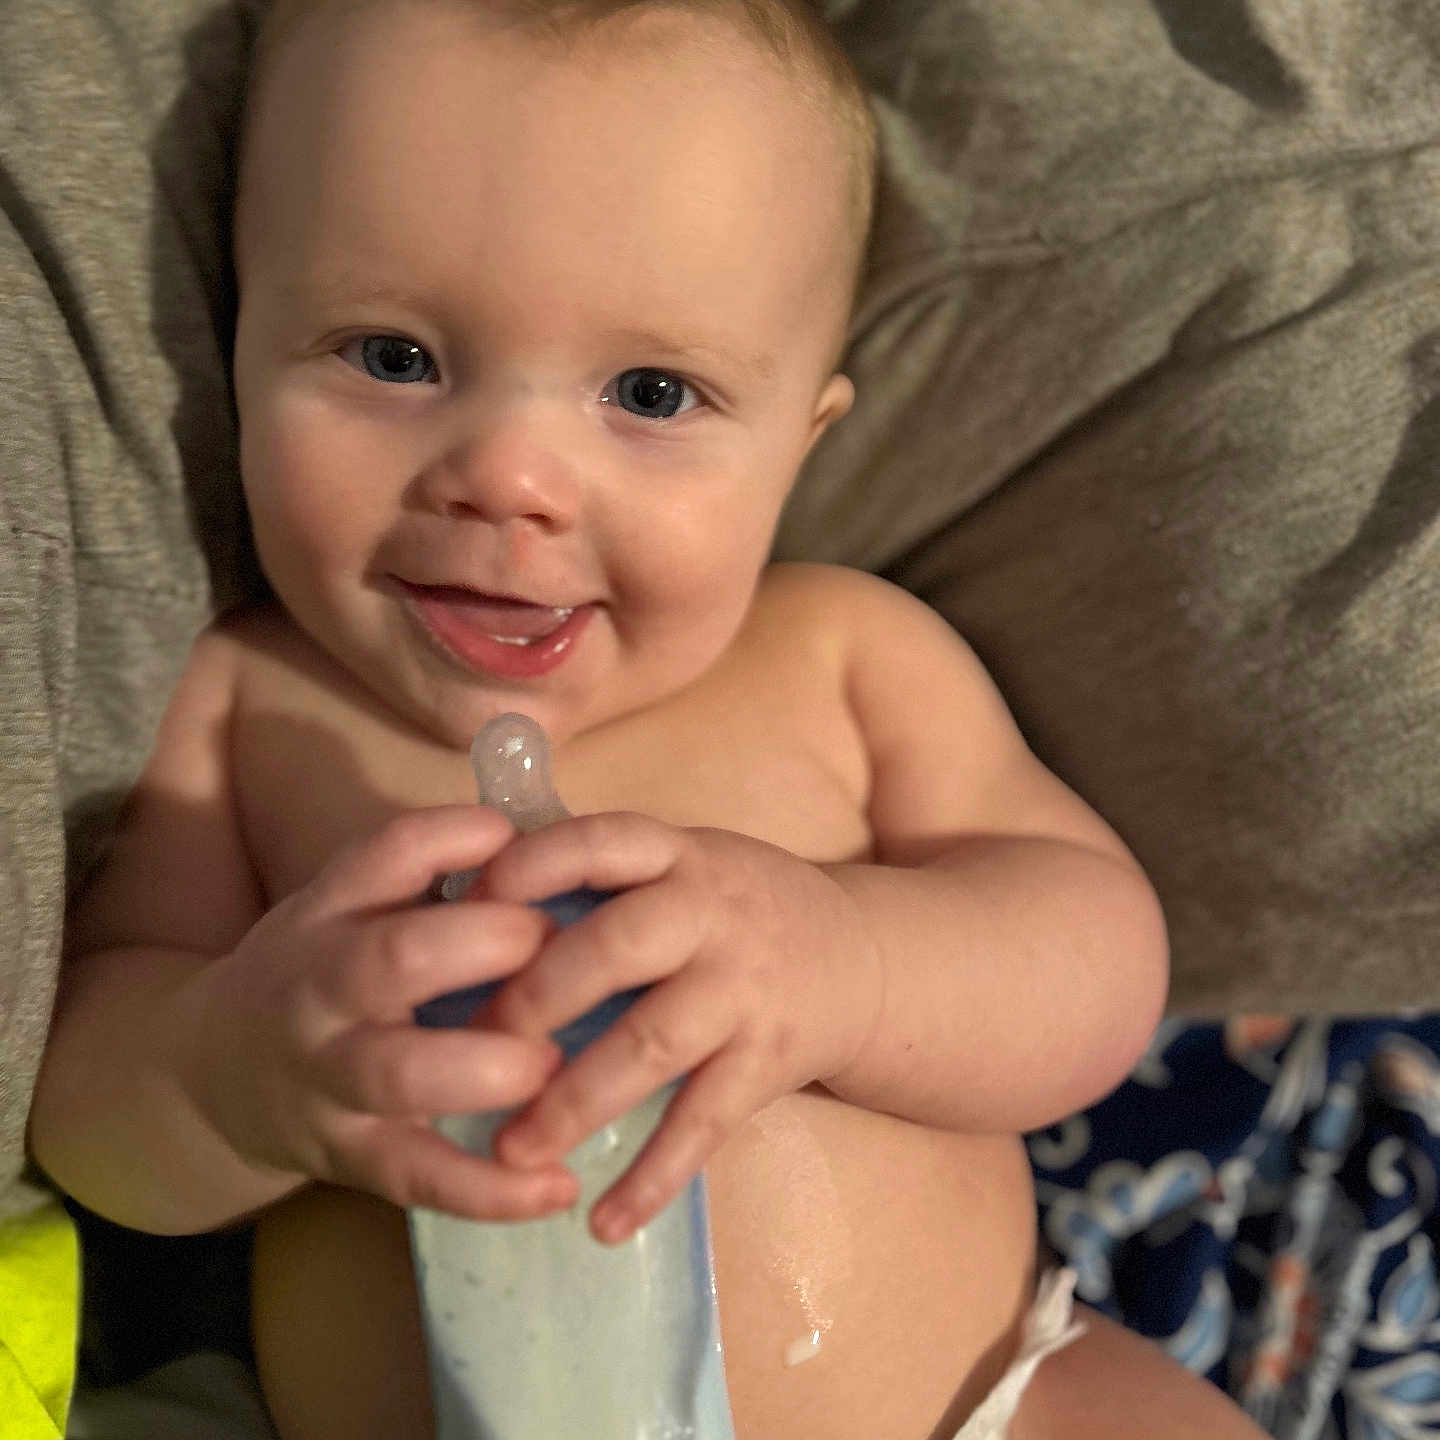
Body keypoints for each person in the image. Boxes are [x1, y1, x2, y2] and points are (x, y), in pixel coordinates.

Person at [28, 1, 1268, 1436]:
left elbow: (1097, 960)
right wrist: (234, 1073)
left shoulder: (846, 659)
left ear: (799, 441)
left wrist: (842, 962)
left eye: (651, 393)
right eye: (391, 357)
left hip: (977, 1410)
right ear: (238, 348)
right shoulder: (248, 711)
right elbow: (87, 1114)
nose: (508, 478)